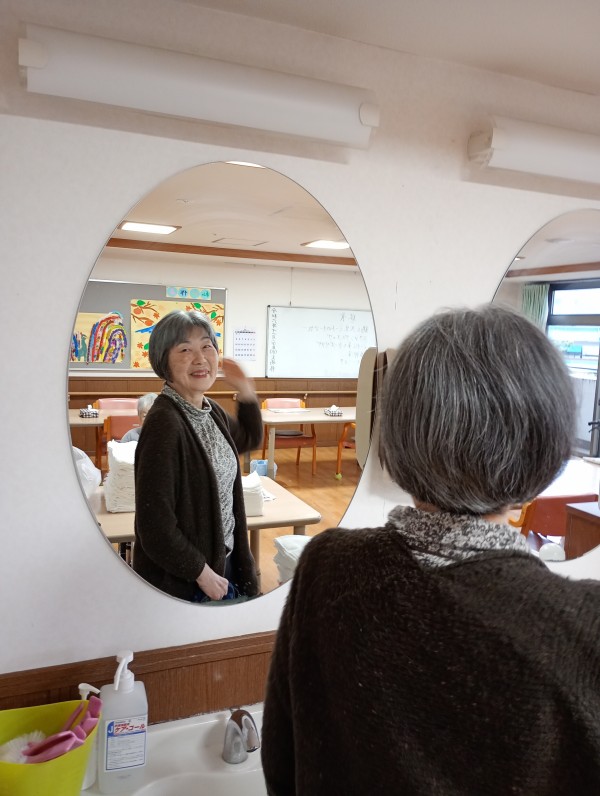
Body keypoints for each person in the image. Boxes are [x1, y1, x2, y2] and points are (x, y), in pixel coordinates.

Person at [261, 304, 600, 795]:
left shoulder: (327, 567)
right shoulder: (583, 629)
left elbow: (281, 763)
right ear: (544, 445)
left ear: (397, 430)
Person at [132, 310, 263, 602]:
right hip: (187, 581)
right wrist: (202, 573)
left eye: (207, 346)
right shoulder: (164, 422)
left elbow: (248, 438)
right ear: (163, 361)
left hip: (222, 560)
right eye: (185, 350)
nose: (200, 358)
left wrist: (245, 389)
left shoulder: (209, 410)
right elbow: (154, 528)